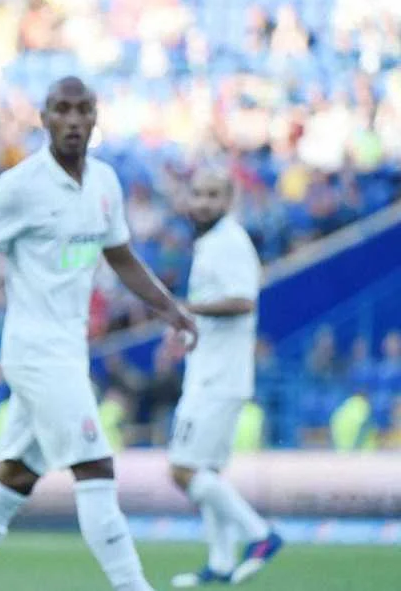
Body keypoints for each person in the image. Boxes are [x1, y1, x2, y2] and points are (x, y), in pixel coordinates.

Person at [0, 76, 197, 591]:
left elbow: (122, 258)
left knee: (13, 479)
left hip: (69, 349)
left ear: (95, 116)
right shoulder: (17, 188)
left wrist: (169, 310)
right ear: (43, 118)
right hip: (35, 352)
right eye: (62, 109)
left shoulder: (104, 183)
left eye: (82, 110)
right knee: (95, 467)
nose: (73, 120)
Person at [167, 169, 282, 588]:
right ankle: (219, 562)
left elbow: (243, 301)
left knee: (182, 470)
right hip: (212, 371)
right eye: (197, 194)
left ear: (229, 199)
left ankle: (261, 534)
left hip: (217, 378)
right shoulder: (209, 242)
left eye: (212, 195)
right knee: (207, 472)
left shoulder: (230, 242)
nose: (202, 202)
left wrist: (186, 310)